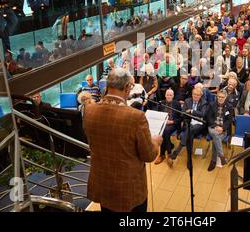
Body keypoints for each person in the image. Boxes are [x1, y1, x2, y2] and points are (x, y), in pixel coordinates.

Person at [83, 68, 162, 212]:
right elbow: (149, 155)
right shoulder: (135, 117)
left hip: (103, 185)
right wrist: (156, 141)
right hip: (129, 191)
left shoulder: (89, 110)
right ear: (126, 87)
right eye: (131, 87)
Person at [169, 87, 208, 162]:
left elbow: (202, 114)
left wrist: (192, 111)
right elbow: (183, 114)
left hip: (199, 124)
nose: (195, 96)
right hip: (188, 122)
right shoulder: (187, 101)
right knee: (190, 132)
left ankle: (176, 152)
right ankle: (189, 156)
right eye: (194, 94)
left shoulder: (204, 102)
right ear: (192, 94)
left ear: (200, 96)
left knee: (191, 129)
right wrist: (188, 114)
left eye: (197, 95)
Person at [154, 89, 182, 167]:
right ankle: (169, 151)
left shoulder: (177, 104)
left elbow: (180, 118)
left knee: (165, 131)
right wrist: (163, 121)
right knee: (164, 131)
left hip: (173, 124)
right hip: (163, 123)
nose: (169, 96)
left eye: (170, 95)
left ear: (173, 96)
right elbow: (157, 115)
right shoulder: (161, 103)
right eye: (167, 95)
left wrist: (172, 122)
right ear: (165, 95)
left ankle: (163, 154)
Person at [205, 90, 232, 171]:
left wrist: (222, 128)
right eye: (219, 97)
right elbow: (208, 118)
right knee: (216, 135)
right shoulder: (211, 105)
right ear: (217, 97)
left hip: (223, 129)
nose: (220, 98)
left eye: (222, 97)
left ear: (225, 97)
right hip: (212, 127)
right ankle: (221, 156)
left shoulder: (229, 107)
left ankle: (213, 161)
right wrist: (216, 126)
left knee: (215, 139)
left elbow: (229, 120)